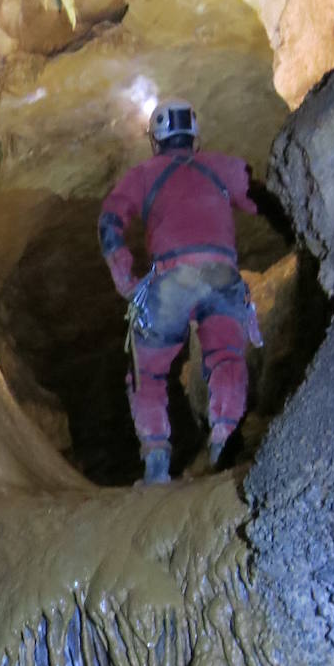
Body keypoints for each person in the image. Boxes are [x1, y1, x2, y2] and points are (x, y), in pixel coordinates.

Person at [98, 99, 261, 483]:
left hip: (171, 279)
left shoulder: (143, 174)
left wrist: (126, 280)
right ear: (194, 136)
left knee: (148, 370)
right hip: (222, 275)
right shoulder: (221, 166)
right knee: (226, 356)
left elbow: (109, 221)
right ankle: (222, 441)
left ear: (157, 140)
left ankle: (156, 462)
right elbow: (261, 196)